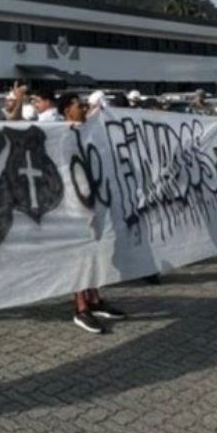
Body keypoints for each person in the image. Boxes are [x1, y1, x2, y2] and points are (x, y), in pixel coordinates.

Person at [63, 93, 127, 332]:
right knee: (80, 257)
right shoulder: (60, 134)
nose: (83, 108)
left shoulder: (85, 130)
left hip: (92, 201)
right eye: (78, 105)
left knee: (95, 253)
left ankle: (95, 299)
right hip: (72, 205)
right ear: (67, 110)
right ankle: (80, 308)